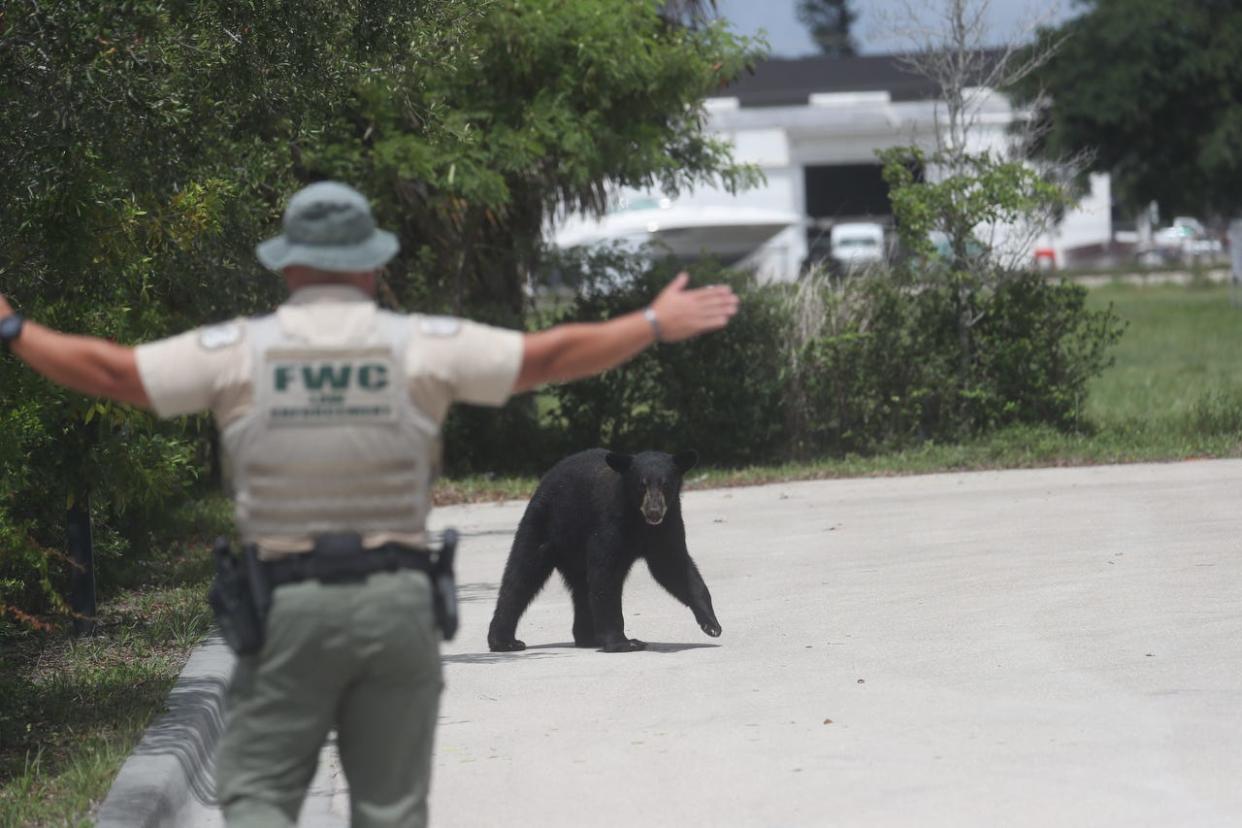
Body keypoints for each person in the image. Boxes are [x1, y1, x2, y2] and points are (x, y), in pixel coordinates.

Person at [0, 181, 739, 827]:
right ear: (374, 266)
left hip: (284, 611)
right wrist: (650, 324)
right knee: (387, 810)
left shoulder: (236, 349)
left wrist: (13, 327)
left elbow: (115, 371)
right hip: (394, 612)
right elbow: (546, 358)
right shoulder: (422, 343)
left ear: (287, 264)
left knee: (258, 796)